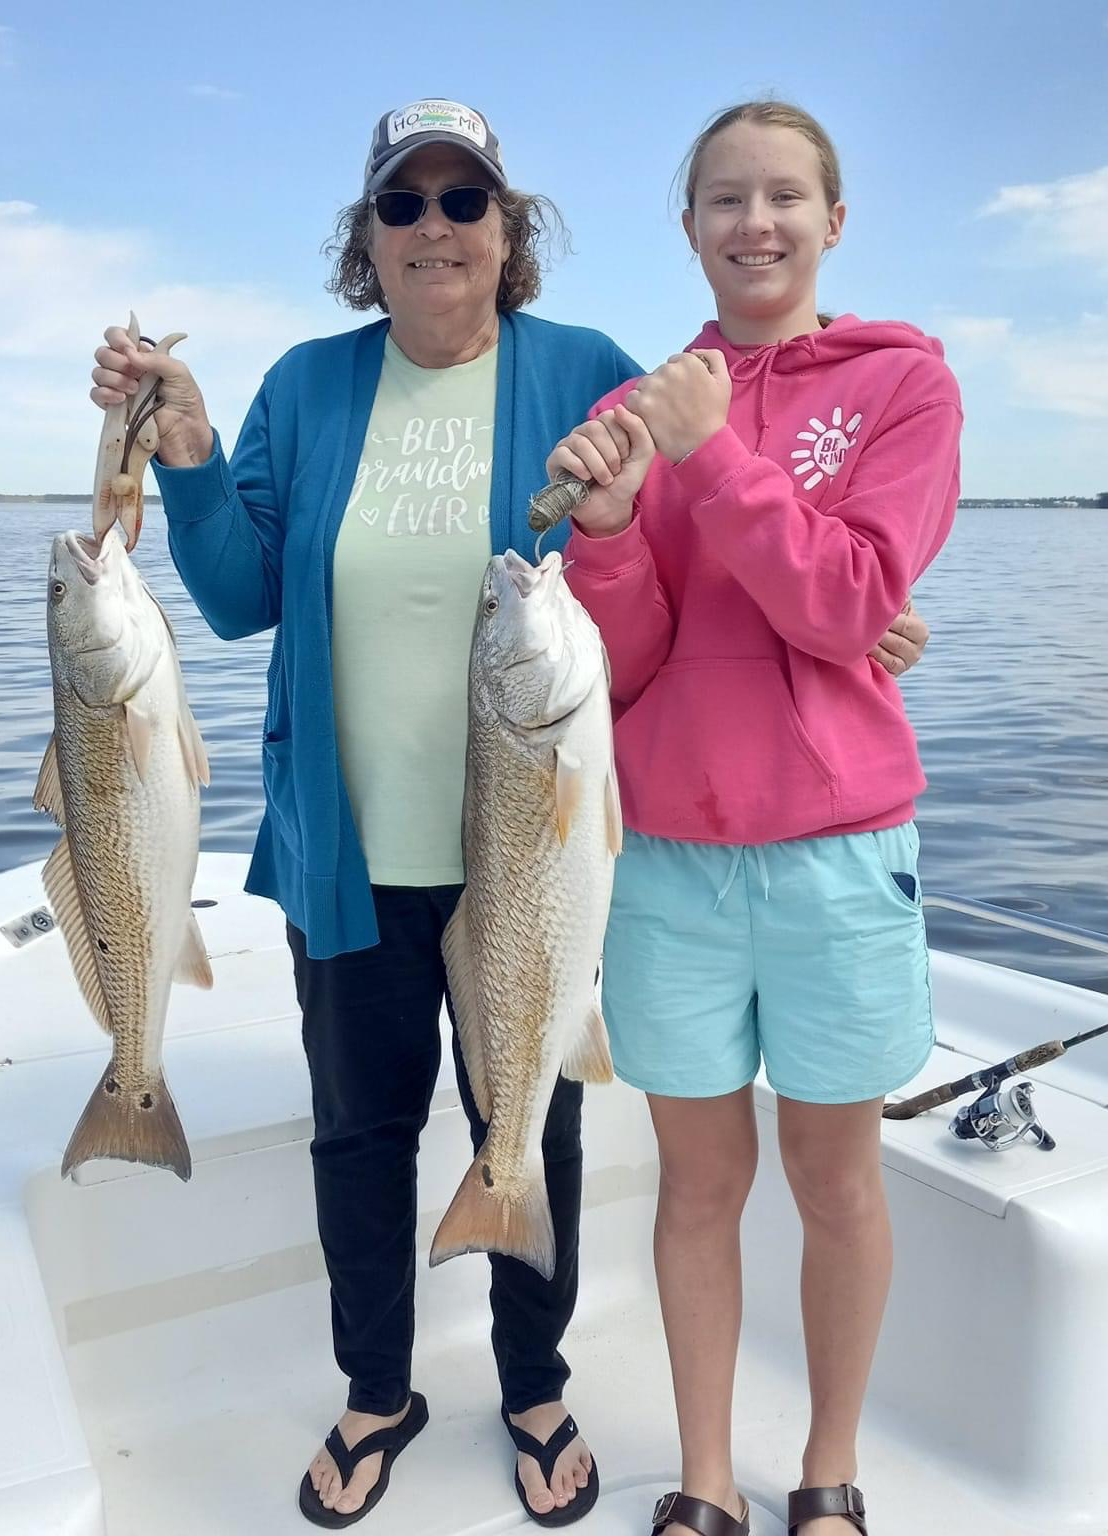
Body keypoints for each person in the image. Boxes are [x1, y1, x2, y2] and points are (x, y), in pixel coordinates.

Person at [90, 98, 929, 1528]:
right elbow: (236, 600)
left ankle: (533, 1386)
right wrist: (185, 447)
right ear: (367, 239)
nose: (435, 230)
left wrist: (872, 625)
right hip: (349, 851)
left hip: (531, 854)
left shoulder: (591, 375)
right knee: (360, 1132)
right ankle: (377, 1390)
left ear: (507, 228)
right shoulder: (306, 387)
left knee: (525, 1119)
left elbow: (706, 559)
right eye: (402, 207)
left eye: (463, 202)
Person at [548, 101, 961, 1536]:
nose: (756, 223)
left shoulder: (903, 384)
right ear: (690, 229)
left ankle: (830, 1469)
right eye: (726, 199)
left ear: (834, 220)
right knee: (696, 1186)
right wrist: (604, 542)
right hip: (668, 858)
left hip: (841, 857)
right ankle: (705, 1479)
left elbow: (853, 602)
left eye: (786, 196)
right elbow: (631, 665)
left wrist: (716, 459)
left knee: (837, 1184)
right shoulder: (629, 418)